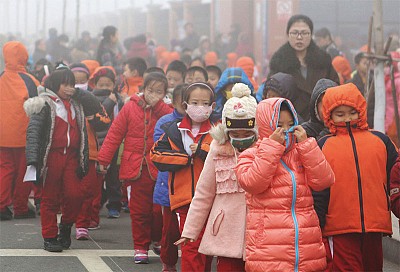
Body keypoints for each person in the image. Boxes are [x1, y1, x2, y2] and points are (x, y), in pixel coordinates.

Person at [235, 97, 335, 272]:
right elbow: (253, 183)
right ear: (266, 125)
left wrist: (307, 145)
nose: (286, 130)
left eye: (290, 124)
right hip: (268, 249)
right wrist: (272, 147)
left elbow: (324, 180)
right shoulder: (251, 155)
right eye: (279, 125)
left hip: (306, 246)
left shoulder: (301, 152)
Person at [313, 83, 398, 271]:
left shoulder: (380, 141)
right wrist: (318, 223)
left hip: (375, 225)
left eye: (352, 112)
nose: (348, 119)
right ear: (329, 116)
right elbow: (318, 188)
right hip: (339, 226)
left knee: (373, 268)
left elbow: (395, 175)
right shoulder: (324, 145)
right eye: (340, 114)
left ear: (361, 110)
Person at [176, 83, 258, 272]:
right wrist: (190, 230)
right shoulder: (217, 149)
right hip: (225, 232)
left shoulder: (264, 149)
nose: (241, 138)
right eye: (235, 134)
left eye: (247, 133)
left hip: (258, 233)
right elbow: (204, 193)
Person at [23, 64, 100, 252]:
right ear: (55, 84)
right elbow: (33, 132)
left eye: (71, 84)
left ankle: (65, 227)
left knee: (76, 195)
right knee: (49, 199)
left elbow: (96, 105)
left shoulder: (77, 104)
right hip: (51, 157)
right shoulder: (43, 103)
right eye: (64, 84)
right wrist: (33, 159)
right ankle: (49, 237)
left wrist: (78, 93)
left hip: (73, 157)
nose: (69, 88)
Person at [98, 72, 172, 264]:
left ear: (164, 93)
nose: (153, 94)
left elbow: (173, 124)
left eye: (158, 91)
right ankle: (140, 246)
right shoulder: (130, 107)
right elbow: (115, 133)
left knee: (158, 211)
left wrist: (158, 106)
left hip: (160, 168)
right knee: (139, 211)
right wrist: (104, 159)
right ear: (143, 89)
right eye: (150, 90)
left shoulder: (166, 110)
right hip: (135, 169)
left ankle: (156, 238)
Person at [151, 82, 215, 271]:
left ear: (212, 106)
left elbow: (227, 156)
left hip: (210, 200)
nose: (200, 107)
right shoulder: (173, 129)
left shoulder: (218, 131)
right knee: (190, 247)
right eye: (195, 102)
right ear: (185, 105)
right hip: (183, 199)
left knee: (206, 247)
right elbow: (156, 155)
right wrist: (185, 158)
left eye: (205, 103)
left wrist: (203, 151)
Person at [269, 14, 339, 121]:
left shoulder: (323, 61)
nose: (299, 37)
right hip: (290, 123)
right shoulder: (279, 63)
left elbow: (335, 90)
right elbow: (271, 98)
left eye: (304, 33)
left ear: (311, 35)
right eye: (295, 33)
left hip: (322, 122)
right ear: (288, 35)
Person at [0, 41, 39, 221]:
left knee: (5, 169)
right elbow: (40, 106)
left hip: (2, 136)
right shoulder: (31, 81)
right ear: (24, 56)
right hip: (25, 136)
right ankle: (21, 207)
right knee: (25, 171)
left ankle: (1, 206)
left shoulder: (1, 77)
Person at [153, 83, 187, 272]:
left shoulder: (204, 124)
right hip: (169, 186)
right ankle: (168, 261)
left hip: (193, 188)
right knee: (170, 230)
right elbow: (160, 150)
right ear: (173, 102)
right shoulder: (165, 122)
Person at [90, 67, 124, 219]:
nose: (104, 88)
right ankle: (97, 203)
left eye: (108, 84)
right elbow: (99, 115)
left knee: (113, 176)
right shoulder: (90, 98)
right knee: (96, 176)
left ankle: (115, 204)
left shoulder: (119, 100)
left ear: (114, 85)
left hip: (114, 143)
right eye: (101, 84)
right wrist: (110, 101)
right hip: (96, 141)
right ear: (95, 84)